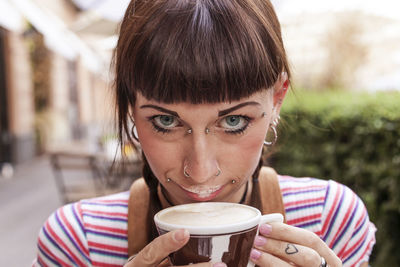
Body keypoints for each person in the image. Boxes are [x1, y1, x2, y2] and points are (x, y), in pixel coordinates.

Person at [33, 0, 376, 266]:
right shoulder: (79, 243)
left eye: (233, 121)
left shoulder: (330, 221)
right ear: (131, 109)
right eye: (166, 121)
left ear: (277, 100)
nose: (200, 171)